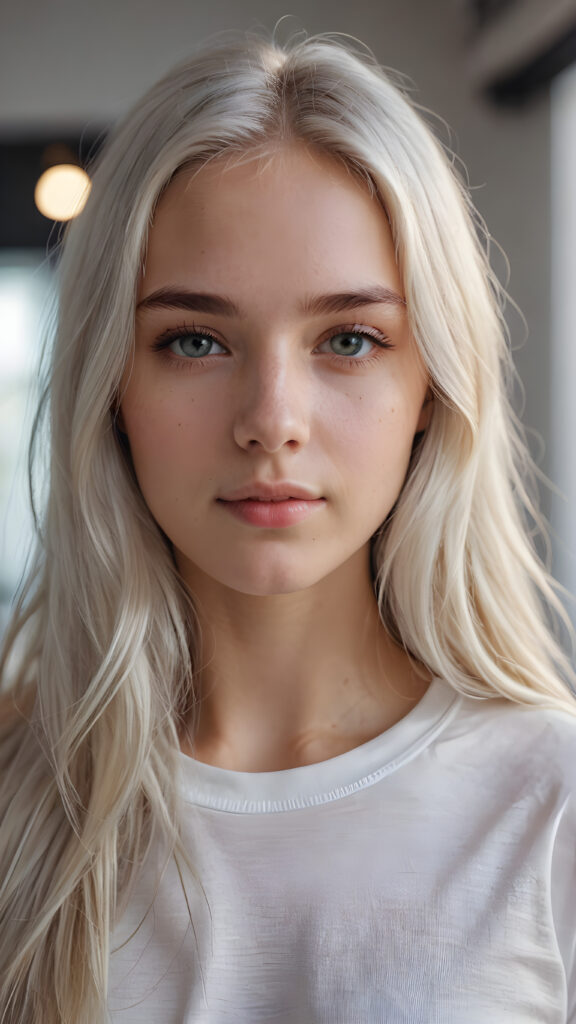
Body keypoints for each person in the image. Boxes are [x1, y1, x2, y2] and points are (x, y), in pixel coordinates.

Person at [0, 28, 575, 1024]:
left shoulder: (550, 809)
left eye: (349, 339)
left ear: (430, 385)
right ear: (112, 387)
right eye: (194, 339)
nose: (273, 418)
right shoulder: (19, 803)